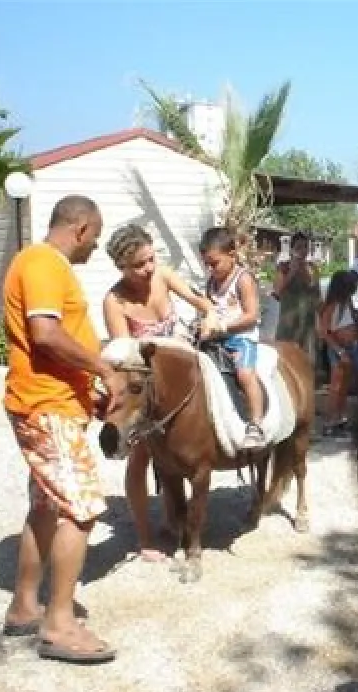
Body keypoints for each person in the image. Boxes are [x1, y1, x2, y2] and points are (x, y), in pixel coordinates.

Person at [1, 195, 125, 665]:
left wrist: (84, 389)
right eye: (94, 237)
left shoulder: (40, 264)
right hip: (45, 408)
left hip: (51, 401)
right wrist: (104, 370)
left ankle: (24, 606)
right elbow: (46, 334)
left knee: (47, 505)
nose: (95, 247)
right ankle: (58, 626)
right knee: (82, 505)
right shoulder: (44, 264)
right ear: (80, 227)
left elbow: (50, 347)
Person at [102, 224, 219, 561]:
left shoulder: (164, 277)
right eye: (139, 264)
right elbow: (125, 353)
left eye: (151, 258)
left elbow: (201, 302)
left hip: (181, 368)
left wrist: (209, 315)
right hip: (145, 381)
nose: (149, 268)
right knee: (140, 455)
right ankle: (144, 536)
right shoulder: (115, 300)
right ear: (121, 267)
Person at [198, 226, 265, 447]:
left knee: (245, 373)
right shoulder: (211, 283)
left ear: (232, 255)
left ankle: (256, 422)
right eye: (207, 264)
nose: (210, 269)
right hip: (216, 338)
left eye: (214, 263)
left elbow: (252, 315)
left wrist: (223, 327)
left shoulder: (242, 279)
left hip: (241, 337)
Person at [318, 271, 358, 436]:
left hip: (349, 347)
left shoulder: (347, 303)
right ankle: (330, 420)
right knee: (335, 386)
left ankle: (341, 417)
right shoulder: (332, 305)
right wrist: (339, 350)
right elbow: (324, 332)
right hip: (338, 348)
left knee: (344, 386)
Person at [273, 231, 321, 367]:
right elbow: (277, 292)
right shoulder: (283, 267)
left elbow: (317, 296)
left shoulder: (313, 268)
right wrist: (291, 273)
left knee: (308, 364)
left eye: (305, 247)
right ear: (292, 249)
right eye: (299, 247)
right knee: (286, 362)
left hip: (307, 325)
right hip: (288, 323)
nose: (302, 250)